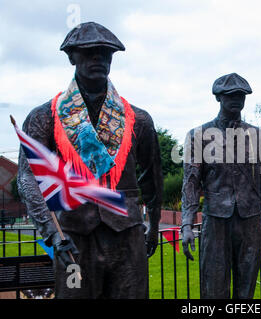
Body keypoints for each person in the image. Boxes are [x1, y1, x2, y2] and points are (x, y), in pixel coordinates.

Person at [17, 22, 163, 298]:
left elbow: (152, 176)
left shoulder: (138, 119)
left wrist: (154, 227)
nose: (98, 58)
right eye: (89, 52)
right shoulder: (45, 116)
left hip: (127, 236)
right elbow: (28, 177)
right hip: (74, 237)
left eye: (105, 53)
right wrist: (52, 233)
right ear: (72, 57)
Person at [181, 73, 261, 299]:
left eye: (241, 95)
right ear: (218, 98)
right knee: (214, 290)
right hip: (215, 222)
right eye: (230, 95)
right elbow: (191, 182)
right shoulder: (198, 136)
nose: (236, 99)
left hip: (250, 220)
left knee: (246, 291)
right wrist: (186, 223)